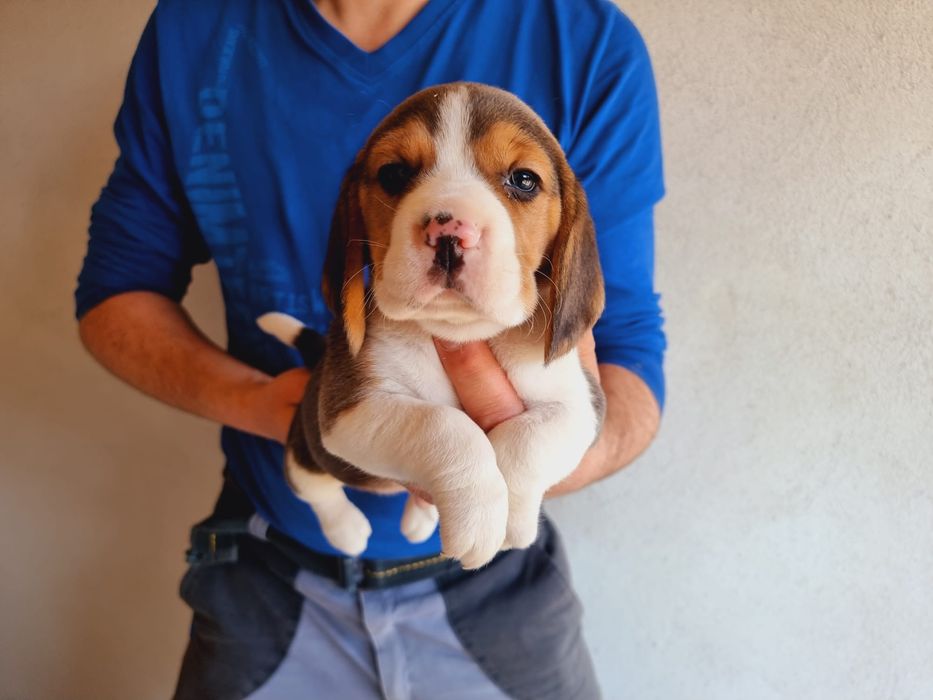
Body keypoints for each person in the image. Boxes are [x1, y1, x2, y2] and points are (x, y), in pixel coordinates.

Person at [75, 0, 666, 697]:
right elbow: (115, 294)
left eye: (519, 181)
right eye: (396, 176)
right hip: (267, 561)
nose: (450, 229)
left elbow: (626, 344)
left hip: (497, 580)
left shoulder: (584, 41)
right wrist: (286, 412)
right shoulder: (194, 28)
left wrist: (516, 471)